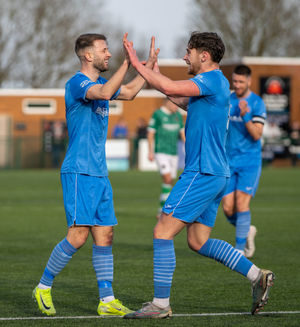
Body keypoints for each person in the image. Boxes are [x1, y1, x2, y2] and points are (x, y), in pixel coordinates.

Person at [122, 32, 274, 319]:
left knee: (162, 232)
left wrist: (135, 63)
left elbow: (169, 85)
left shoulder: (212, 79)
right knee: (198, 241)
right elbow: (178, 96)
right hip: (216, 173)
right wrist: (154, 73)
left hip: (202, 171)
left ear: (204, 56)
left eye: (188, 52)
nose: (184, 57)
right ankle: (256, 275)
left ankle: (160, 304)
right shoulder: (214, 86)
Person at [32, 33, 159, 317]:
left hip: (100, 173)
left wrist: (146, 67)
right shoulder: (77, 83)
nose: (109, 55)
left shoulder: (103, 83)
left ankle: (107, 300)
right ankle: (42, 286)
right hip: (79, 170)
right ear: (88, 55)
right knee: (78, 236)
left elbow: (128, 93)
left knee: (106, 234)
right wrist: (128, 63)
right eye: (104, 50)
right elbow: (103, 94)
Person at [222, 65, 267, 259]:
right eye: (235, 81)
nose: (237, 85)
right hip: (228, 161)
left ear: (249, 81)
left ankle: (239, 250)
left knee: (241, 204)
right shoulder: (229, 100)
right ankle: (247, 230)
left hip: (250, 161)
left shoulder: (257, 103)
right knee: (227, 208)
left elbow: (257, 135)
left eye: (241, 81)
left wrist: (245, 114)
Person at [147, 98, 185, 218]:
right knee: (168, 179)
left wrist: (189, 148)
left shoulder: (178, 115)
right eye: (175, 104)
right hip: (161, 152)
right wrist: (150, 152)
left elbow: (182, 134)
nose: (177, 107)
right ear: (168, 102)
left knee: (169, 182)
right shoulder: (158, 114)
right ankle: (165, 210)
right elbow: (150, 133)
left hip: (173, 153)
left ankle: (161, 209)